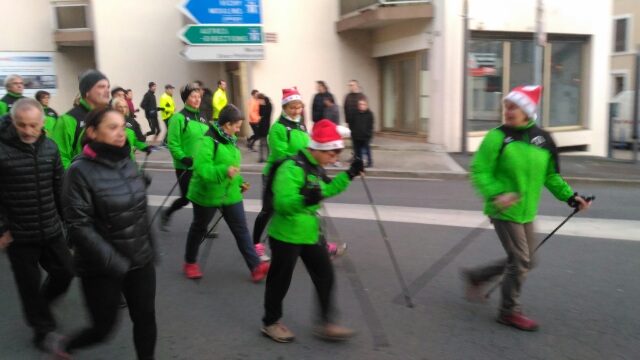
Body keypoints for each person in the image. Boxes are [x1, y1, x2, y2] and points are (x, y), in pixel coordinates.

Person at [461, 85, 593, 332]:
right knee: (521, 260)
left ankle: (478, 276)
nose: (507, 111)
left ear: (527, 110)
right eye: (506, 107)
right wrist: (496, 194)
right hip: (503, 209)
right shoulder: (497, 137)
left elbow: (551, 176)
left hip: (526, 211)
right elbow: (479, 170)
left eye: (513, 107)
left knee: (527, 260)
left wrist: (571, 197)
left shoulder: (544, 140)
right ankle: (509, 311)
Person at [55, 107, 157, 359]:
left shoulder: (125, 160)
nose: (120, 133)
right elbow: (78, 226)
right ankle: (67, 346)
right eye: (112, 128)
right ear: (91, 132)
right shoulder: (78, 171)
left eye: (122, 127)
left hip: (140, 260)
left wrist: (150, 246)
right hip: (101, 267)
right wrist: (115, 263)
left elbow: (139, 209)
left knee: (145, 320)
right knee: (103, 329)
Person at [261, 119, 364, 343]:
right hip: (286, 235)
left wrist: (349, 174)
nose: (333, 159)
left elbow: (326, 190)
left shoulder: (315, 167)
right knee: (280, 281)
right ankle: (270, 322)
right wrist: (305, 199)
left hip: (309, 233)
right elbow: (282, 203)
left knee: (325, 275)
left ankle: (326, 323)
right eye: (331, 154)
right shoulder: (291, 167)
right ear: (318, 149)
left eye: (336, 155)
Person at [0, 98, 74, 351]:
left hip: (51, 229)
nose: (28, 131)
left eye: (33, 125)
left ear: (43, 123)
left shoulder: (50, 148)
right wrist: (1, 229)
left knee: (65, 272)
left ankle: (41, 305)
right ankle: (42, 331)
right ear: (13, 121)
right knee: (28, 285)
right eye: (22, 125)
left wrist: (69, 223)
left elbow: (59, 188)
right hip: (19, 235)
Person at [253, 87, 346, 262]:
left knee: (308, 209)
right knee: (268, 210)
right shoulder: (278, 128)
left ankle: (322, 246)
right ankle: (256, 245)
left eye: (298, 107)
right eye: (292, 108)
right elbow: (281, 154)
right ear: (284, 108)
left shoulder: (302, 124)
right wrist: (304, 163)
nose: (296, 111)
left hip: (300, 171)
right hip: (278, 174)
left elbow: (310, 149)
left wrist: (318, 170)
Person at [182, 104, 270, 280]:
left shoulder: (229, 140)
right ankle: (190, 262)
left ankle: (255, 266)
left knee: (241, 230)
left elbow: (232, 167)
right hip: (206, 195)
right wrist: (224, 171)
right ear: (227, 124)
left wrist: (239, 182)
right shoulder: (207, 140)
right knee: (199, 227)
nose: (238, 131)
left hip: (229, 193)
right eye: (236, 126)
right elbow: (202, 168)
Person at [160, 83, 210, 231]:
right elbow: (173, 143)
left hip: (202, 165)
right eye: (193, 97)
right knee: (187, 199)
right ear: (185, 99)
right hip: (185, 166)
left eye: (198, 97)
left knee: (202, 196)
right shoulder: (178, 118)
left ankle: (201, 225)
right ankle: (167, 213)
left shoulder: (202, 117)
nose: (197, 99)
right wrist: (183, 158)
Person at [50, 69, 110, 169]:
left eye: (108, 87)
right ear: (87, 91)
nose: (107, 91)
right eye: (101, 87)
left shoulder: (111, 116)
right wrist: (79, 178)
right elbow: (60, 157)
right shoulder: (67, 120)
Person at [350, 98, 374, 168]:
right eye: (360, 104)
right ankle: (358, 163)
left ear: (366, 105)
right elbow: (352, 124)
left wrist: (368, 134)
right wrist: (353, 133)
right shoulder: (355, 113)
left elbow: (370, 125)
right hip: (356, 136)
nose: (361, 106)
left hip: (365, 136)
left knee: (367, 150)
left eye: (363, 104)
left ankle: (370, 162)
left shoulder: (369, 114)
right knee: (357, 151)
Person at [256, 93, 272, 163]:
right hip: (261, 125)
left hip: (266, 125)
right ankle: (261, 157)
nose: (259, 102)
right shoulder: (261, 105)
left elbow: (266, 114)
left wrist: (263, 107)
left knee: (265, 142)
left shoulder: (268, 105)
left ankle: (268, 157)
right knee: (261, 142)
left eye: (260, 100)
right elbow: (259, 114)